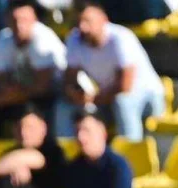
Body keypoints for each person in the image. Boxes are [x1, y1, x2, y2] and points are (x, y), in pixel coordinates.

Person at [56, 0, 165, 141]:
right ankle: (65, 152)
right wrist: (75, 95)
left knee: (123, 101)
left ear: (103, 20)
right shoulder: (74, 39)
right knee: (64, 106)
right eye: (79, 22)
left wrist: (94, 99)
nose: (83, 27)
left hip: (147, 97)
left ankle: (130, 149)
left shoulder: (121, 38)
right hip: (106, 98)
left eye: (88, 21)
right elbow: (69, 78)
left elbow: (125, 86)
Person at [0, 0, 66, 134]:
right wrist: (0, 96)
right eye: (14, 20)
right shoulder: (2, 39)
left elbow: (42, 87)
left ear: (34, 19)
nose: (19, 25)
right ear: (7, 20)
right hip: (20, 93)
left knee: (37, 111)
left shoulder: (43, 39)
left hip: (53, 94)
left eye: (24, 20)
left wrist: (2, 99)